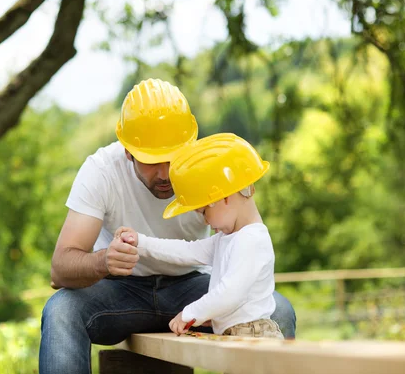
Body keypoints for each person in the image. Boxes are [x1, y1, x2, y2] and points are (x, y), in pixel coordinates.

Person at [39, 79, 295, 374]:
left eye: (172, 158)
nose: (165, 174)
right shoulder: (100, 171)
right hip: (120, 292)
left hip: (194, 287)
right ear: (128, 151)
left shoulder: (211, 166)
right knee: (61, 310)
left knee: (280, 311)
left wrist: (207, 308)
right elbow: (60, 269)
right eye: (151, 161)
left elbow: (246, 238)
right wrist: (104, 260)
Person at [116, 133, 284, 339]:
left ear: (224, 197)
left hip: (253, 335)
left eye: (204, 211)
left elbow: (229, 293)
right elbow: (186, 251)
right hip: (239, 334)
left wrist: (190, 313)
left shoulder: (251, 239)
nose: (205, 221)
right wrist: (141, 242)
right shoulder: (228, 238)